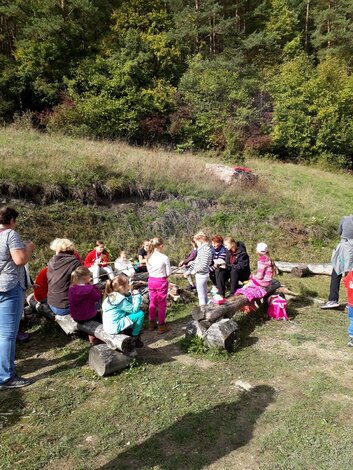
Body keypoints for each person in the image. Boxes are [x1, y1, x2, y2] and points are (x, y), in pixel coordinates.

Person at [0, 206, 35, 389]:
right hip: (8, 288)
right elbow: (20, 260)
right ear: (12, 220)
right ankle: (6, 377)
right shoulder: (9, 235)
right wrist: (28, 248)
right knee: (7, 334)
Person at [102, 274, 144, 347]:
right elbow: (134, 310)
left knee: (131, 315)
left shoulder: (113, 295)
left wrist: (128, 294)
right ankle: (135, 336)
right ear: (122, 287)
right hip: (114, 327)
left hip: (110, 325)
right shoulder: (119, 299)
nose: (129, 285)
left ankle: (130, 332)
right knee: (140, 314)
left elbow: (129, 307)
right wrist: (137, 295)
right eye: (128, 283)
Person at [321, 215, 353, 309]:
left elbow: (339, 232)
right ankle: (350, 301)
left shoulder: (346, 219)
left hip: (345, 247)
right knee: (350, 276)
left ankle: (333, 300)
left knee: (336, 272)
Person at [47, 238, 82, 315]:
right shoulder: (74, 263)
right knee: (96, 298)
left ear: (58, 250)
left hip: (51, 303)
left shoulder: (51, 261)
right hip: (64, 307)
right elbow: (82, 286)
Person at [69, 266, 102, 345]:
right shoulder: (89, 289)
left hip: (75, 316)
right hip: (86, 316)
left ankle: (90, 336)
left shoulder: (71, 287)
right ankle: (95, 338)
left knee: (86, 304)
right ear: (85, 278)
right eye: (90, 276)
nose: (91, 277)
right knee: (98, 311)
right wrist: (92, 285)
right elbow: (98, 296)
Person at [146, 237, 171, 333]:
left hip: (151, 280)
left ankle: (151, 323)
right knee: (161, 303)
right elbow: (168, 273)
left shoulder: (148, 257)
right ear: (161, 245)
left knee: (152, 301)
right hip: (161, 281)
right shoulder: (164, 257)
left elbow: (149, 271)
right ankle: (161, 325)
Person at [185, 231, 213, 306]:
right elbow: (195, 262)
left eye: (196, 242)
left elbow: (203, 265)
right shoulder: (201, 249)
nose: (196, 244)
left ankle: (203, 309)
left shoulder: (205, 250)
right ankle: (207, 307)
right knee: (204, 294)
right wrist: (189, 271)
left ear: (200, 240)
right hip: (200, 274)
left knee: (201, 295)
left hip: (202, 275)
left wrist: (194, 271)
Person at [343, 269, 353, 347]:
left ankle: (351, 337)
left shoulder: (350, 274)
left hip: (350, 303)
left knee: (352, 319)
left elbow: (345, 283)